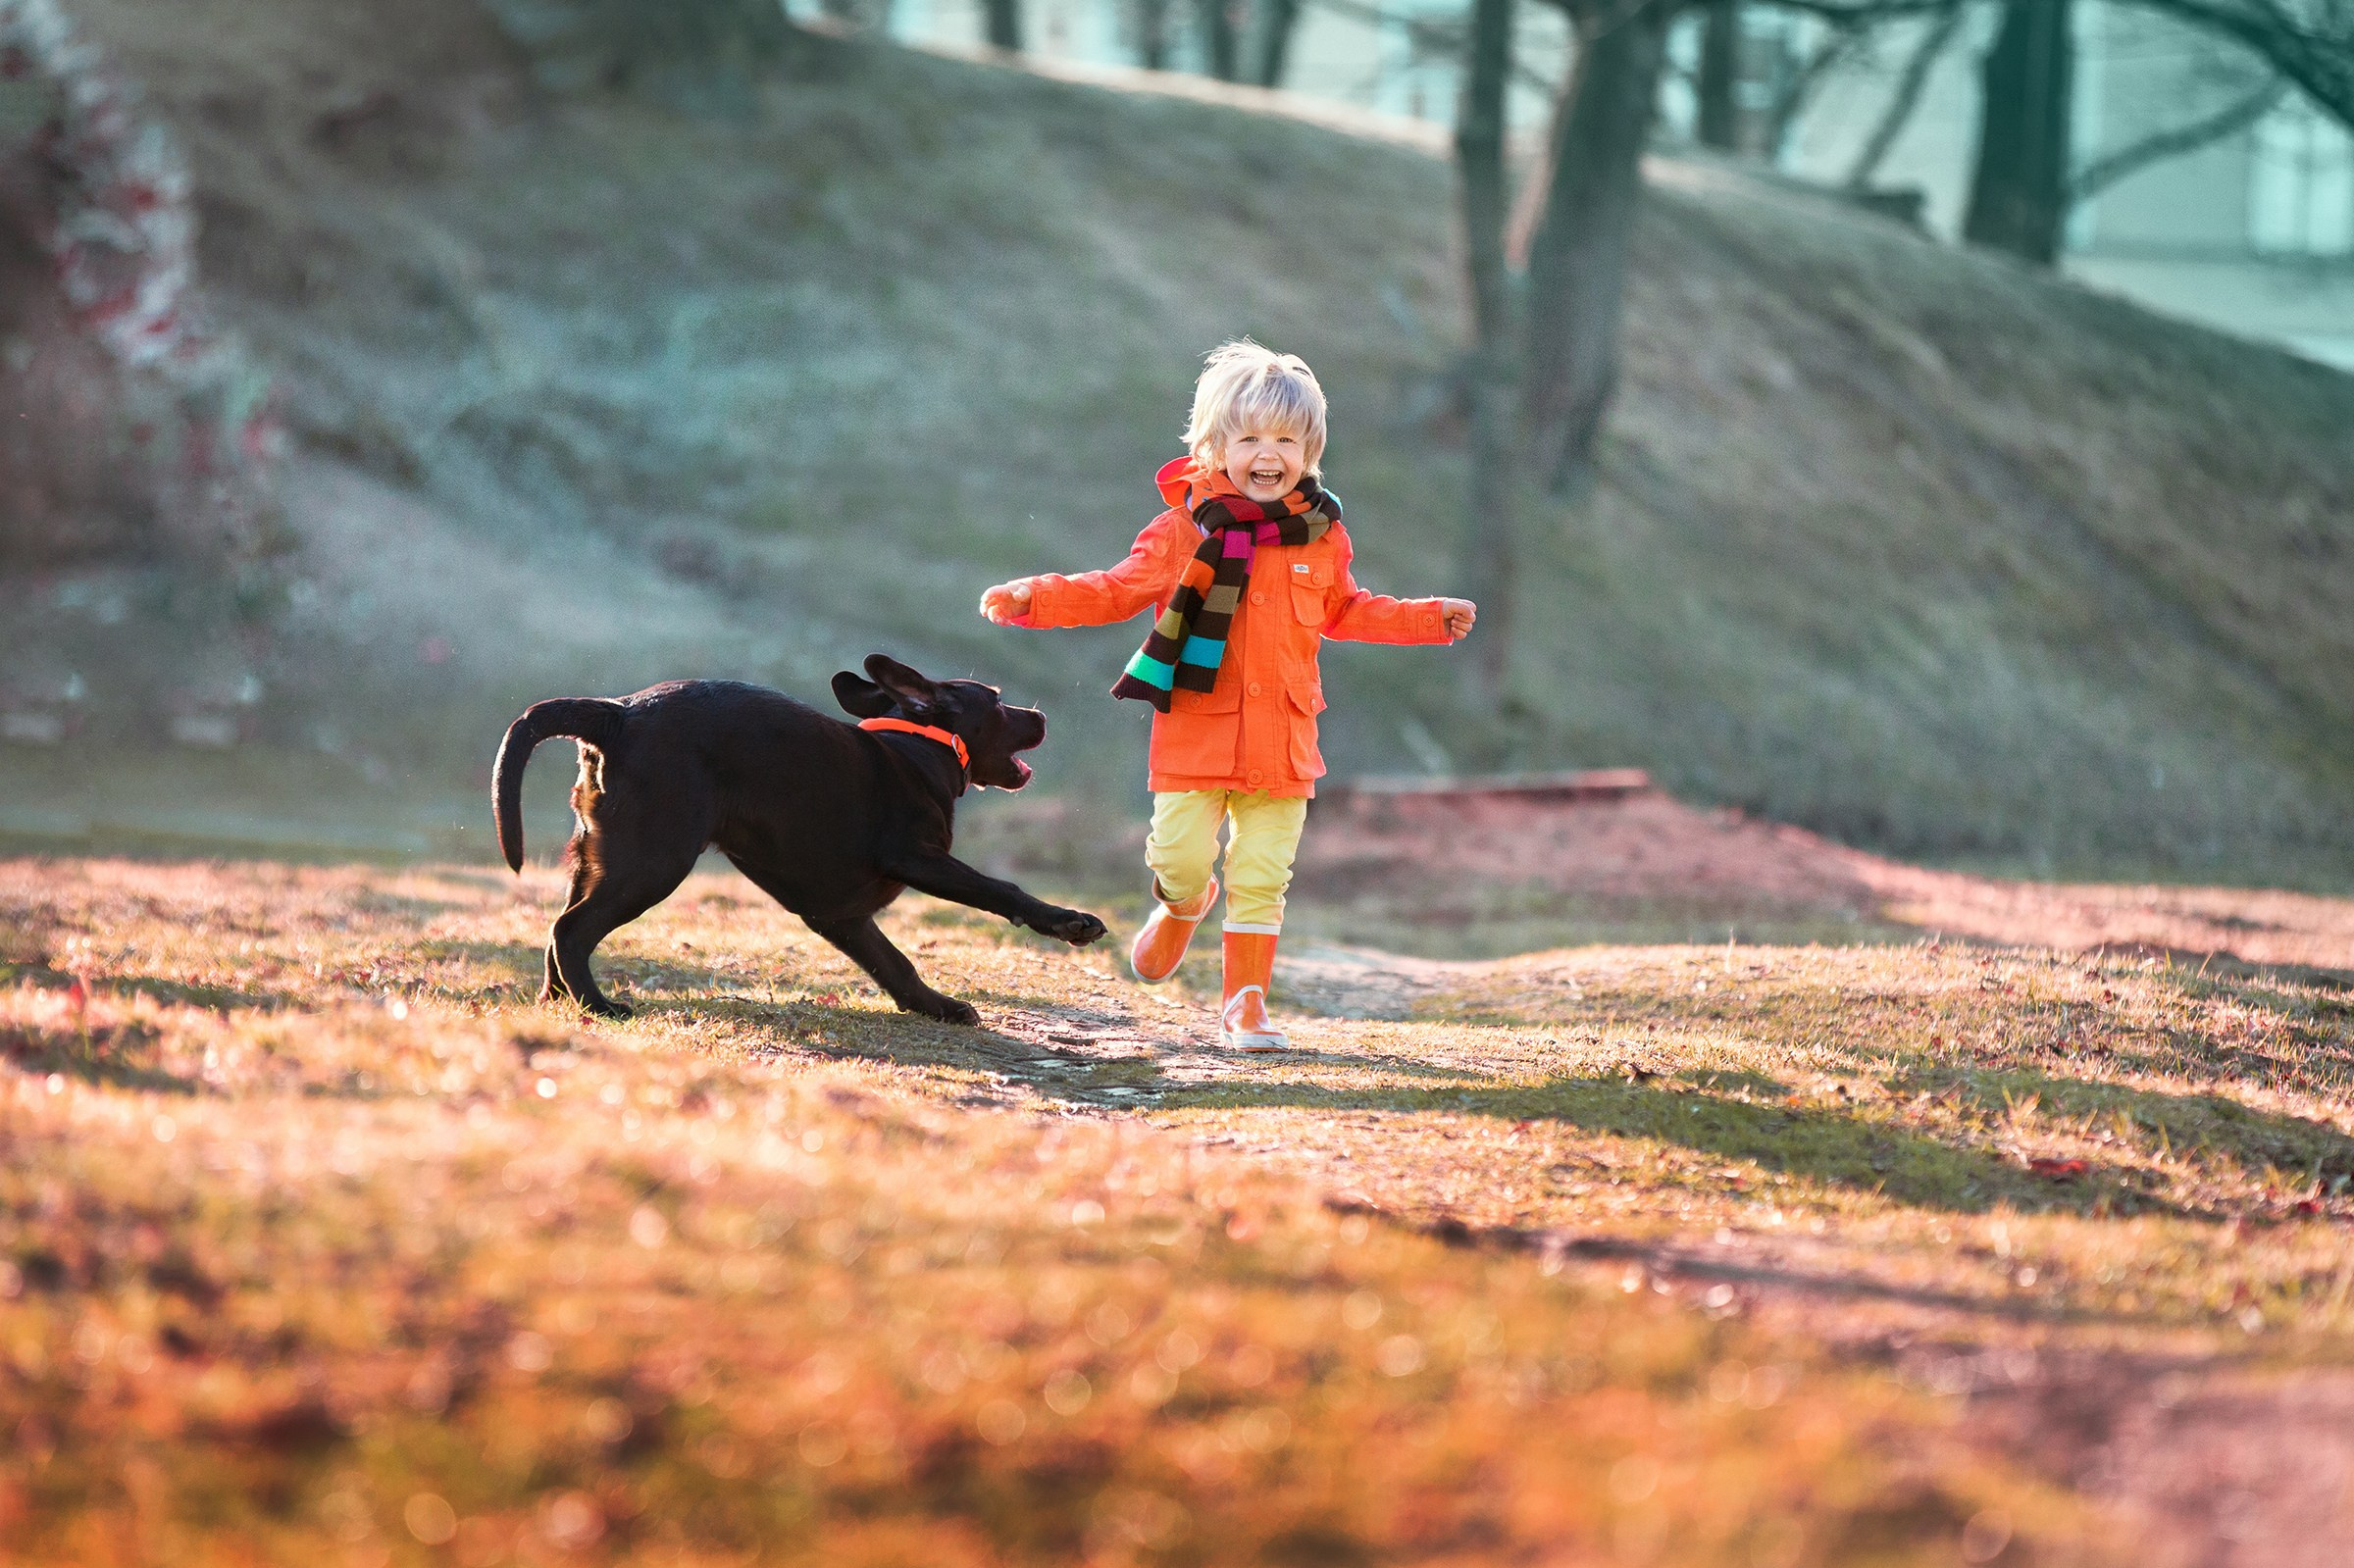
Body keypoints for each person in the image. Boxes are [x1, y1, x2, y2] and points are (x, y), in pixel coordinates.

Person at [979, 340, 1474, 1050]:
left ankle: (1245, 1004)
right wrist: (1036, 597)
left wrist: (1429, 617)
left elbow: (1349, 610)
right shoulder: (1184, 530)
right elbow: (1117, 589)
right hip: (1197, 733)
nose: (1268, 453)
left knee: (1263, 876)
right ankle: (1184, 907)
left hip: (1284, 740)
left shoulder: (1322, 536)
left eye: (1286, 440)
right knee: (1179, 858)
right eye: (1249, 438)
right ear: (1214, 446)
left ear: (1310, 451)